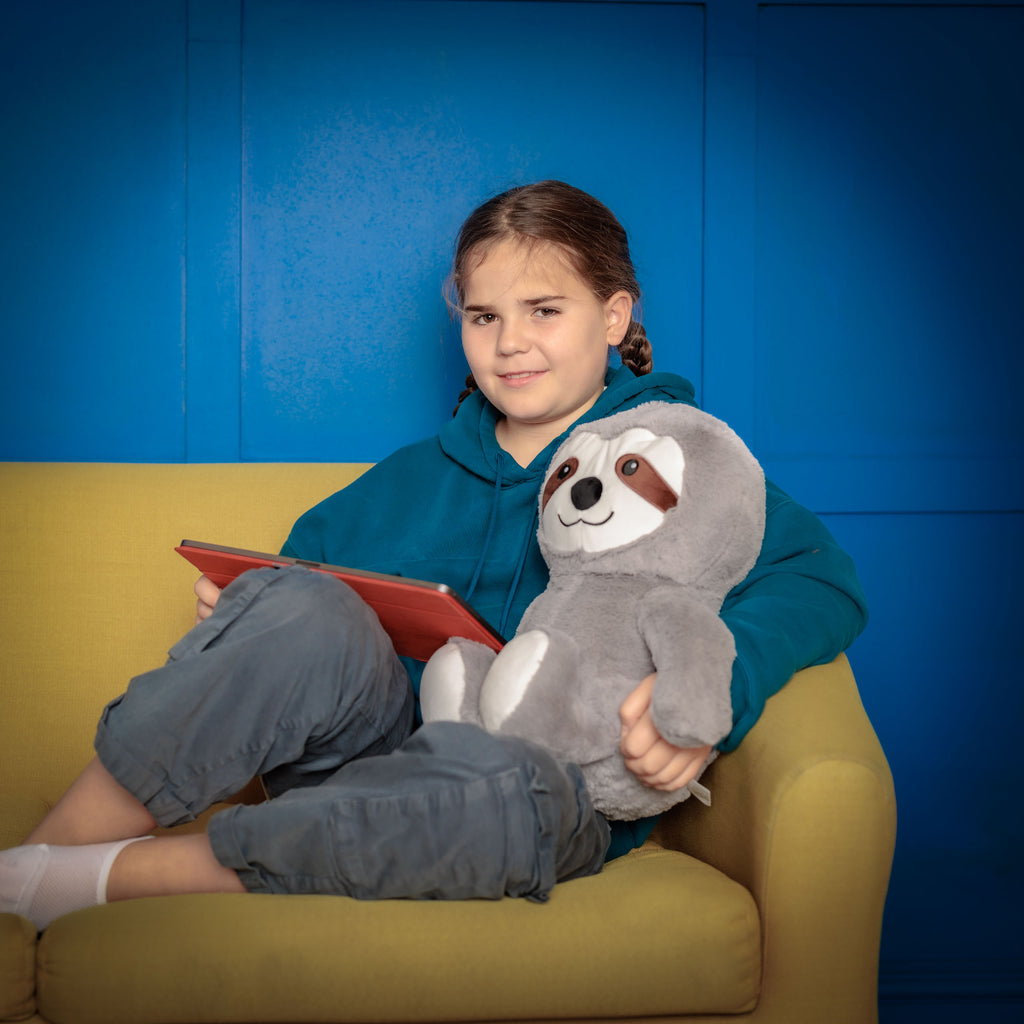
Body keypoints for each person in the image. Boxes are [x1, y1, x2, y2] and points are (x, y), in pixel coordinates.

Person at [0, 181, 868, 930]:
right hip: (367, 753)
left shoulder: (678, 455)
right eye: (484, 316)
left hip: (539, 791)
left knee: (497, 785)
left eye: (544, 311)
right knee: (300, 604)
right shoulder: (411, 479)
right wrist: (245, 610)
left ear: (615, 314)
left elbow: (822, 577)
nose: (509, 342)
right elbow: (303, 581)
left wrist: (711, 688)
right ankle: (43, 856)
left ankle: (101, 883)